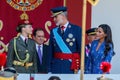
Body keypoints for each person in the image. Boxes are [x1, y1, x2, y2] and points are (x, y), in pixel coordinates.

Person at [48, 6, 82, 73]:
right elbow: (50, 51)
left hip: (71, 66)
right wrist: (49, 69)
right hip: (56, 66)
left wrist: (81, 67)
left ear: (62, 16)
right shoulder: (53, 31)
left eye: (56, 17)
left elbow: (81, 49)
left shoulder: (76, 29)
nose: (54, 19)